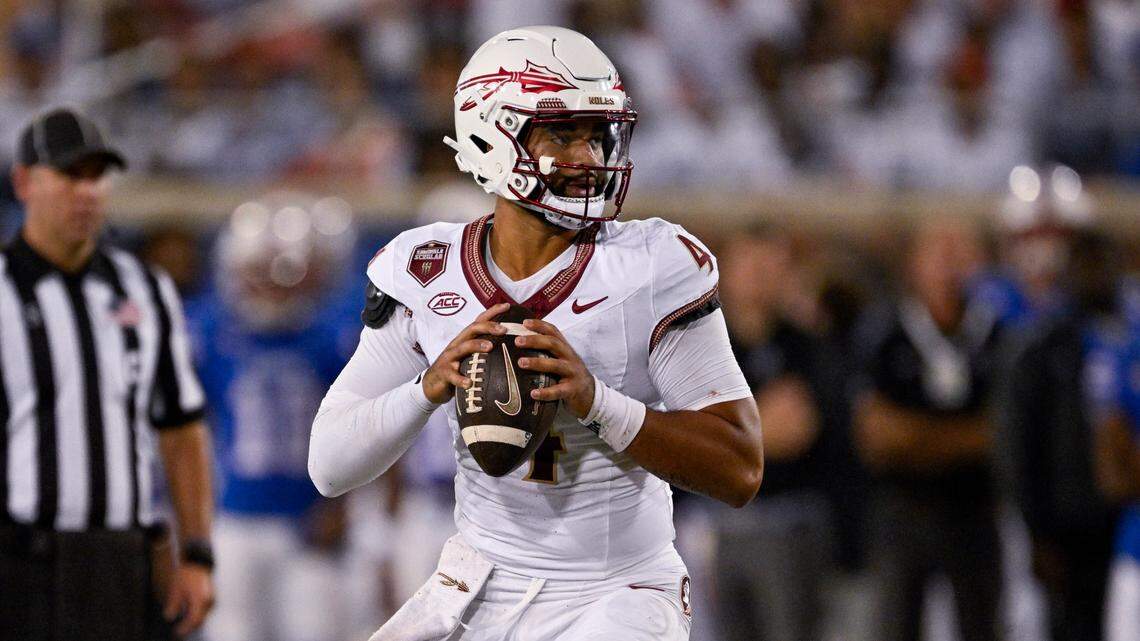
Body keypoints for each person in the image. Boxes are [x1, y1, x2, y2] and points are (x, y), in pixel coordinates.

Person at [309, 26, 763, 641]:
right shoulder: (425, 267)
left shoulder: (653, 265)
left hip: (617, 590)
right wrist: (428, 387)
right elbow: (330, 465)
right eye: (562, 133)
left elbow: (739, 468)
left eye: (597, 135)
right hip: (481, 574)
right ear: (489, 133)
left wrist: (596, 401)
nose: (589, 157)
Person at [0, 107, 214, 640]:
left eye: (98, 175)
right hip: (18, 560)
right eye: (71, 174)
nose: (88, 191)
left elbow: (181, 428)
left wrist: (197, 552)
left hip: (123, 561)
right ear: (24, 182)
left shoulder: (146, 289)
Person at [190, 194, 360, 641]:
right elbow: (183, 432)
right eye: (259, 270)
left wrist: (339, 503)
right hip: (234, 516)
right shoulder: (211, 335)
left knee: (314, 629)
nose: (272, 283)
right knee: (233, 631)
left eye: (282, 272)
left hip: (306, 517)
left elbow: (361, 431)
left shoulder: (328, 338)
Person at [854, 220, 1004, 641]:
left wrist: (917, 439)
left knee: (982, 626)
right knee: (895, 625)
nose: (949, 264)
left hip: (975, 512)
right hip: (903, 510)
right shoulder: (883, 331)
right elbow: (877, 438)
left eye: (960, 250)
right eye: (937, 250)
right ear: (913, 264)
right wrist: (969, 437)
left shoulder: (997, 331)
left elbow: (1004, 433)